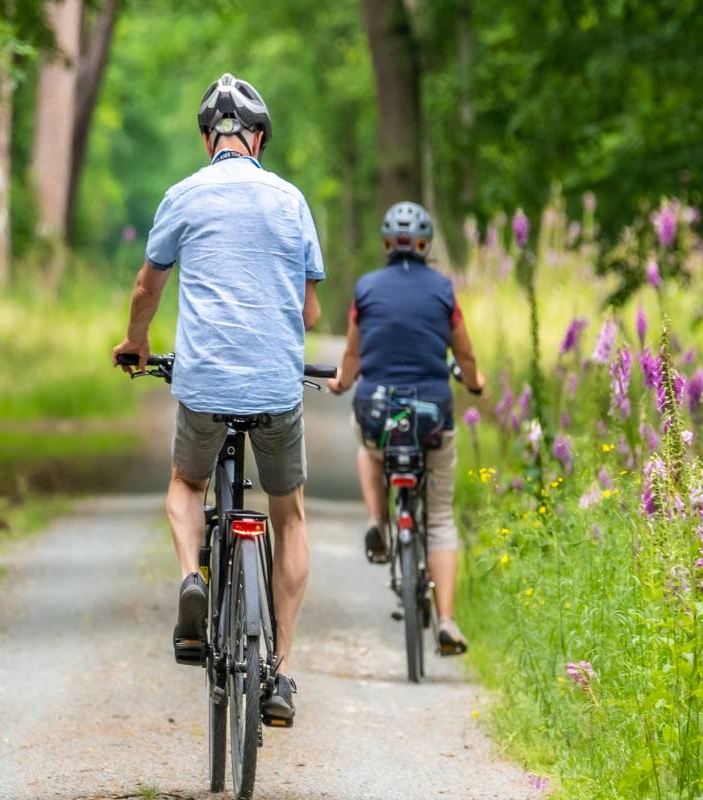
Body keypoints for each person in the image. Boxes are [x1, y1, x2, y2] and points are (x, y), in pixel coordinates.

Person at [112, 73, 324, 721]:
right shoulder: (290, 201)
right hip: (276, 387)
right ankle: (280, 675)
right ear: (258, 138)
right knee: (288, 515)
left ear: (210, 139)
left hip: (204, 382)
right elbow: (312, 312)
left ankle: (193, 577)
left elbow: (146, 292)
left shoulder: (182, 195)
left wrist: (136, 345)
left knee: (185, 485)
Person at [327, 201, 485, 655]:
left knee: (368, 447)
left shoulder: (366, 289)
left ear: (385, 244)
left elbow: (353, 356)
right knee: (438, 518)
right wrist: (475, 383)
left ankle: (377, 520)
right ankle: (448, 621)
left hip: (379, 411)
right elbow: (467, 356)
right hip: (432, 414)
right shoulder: (443, 290)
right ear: (425, 244)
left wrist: (342, 381)